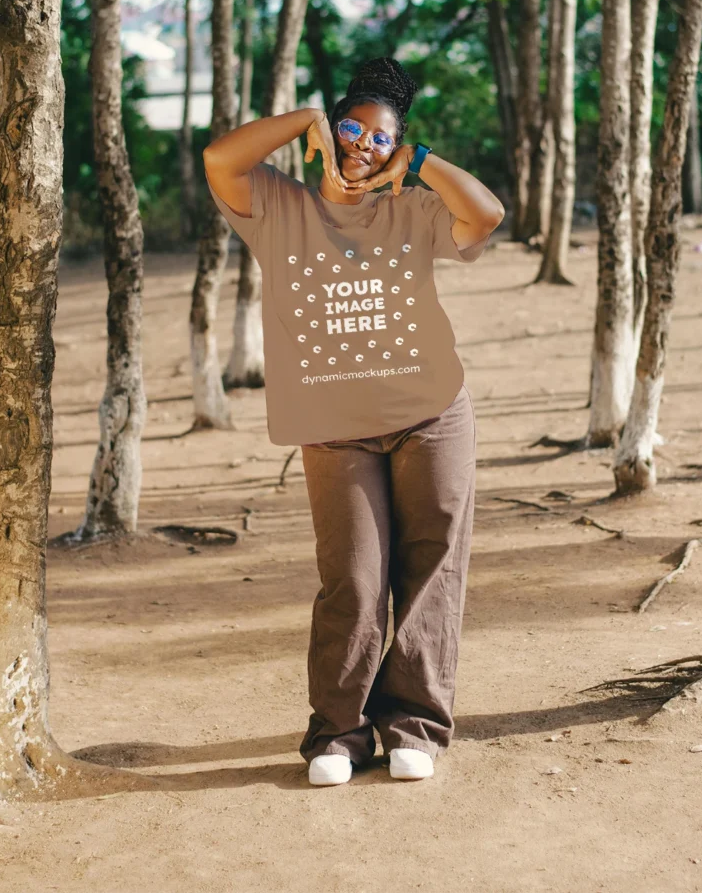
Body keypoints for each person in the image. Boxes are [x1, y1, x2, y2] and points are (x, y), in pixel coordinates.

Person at [204, 56, 504, 786]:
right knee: (354, 581)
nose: (362, 145)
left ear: (397, 147)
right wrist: (302, 120)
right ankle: (338, 732)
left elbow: (486, 213)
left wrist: (420, 162)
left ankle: (416, 726)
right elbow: (220, 157)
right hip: (335, 429)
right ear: (329, 133)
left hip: (430, 415)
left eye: (381, 137)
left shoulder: (415, 207)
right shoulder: (279, 206)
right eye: (349, 128)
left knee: (432, 571)